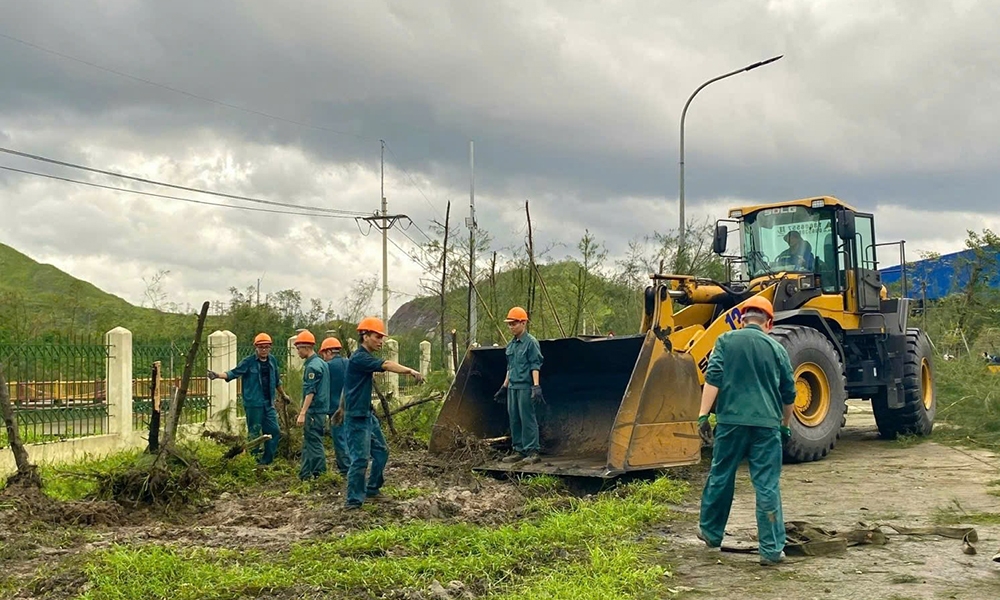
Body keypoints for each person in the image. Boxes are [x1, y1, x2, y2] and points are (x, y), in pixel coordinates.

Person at [696, 296, 796, 566]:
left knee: (721, 475)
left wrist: (704, 415)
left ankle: (710, 532)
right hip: (766, 427)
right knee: (766, 484)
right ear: (769, 323)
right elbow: (789, 394)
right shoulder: (777, 350)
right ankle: (772, 550)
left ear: (741, 319)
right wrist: (784, 426)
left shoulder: (726, 341)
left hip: (730, 423)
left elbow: (712, 379)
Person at [337, 316, 424, 509]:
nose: (380, 341)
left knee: (381, 452)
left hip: (367, 415)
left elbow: (348, 386)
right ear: (365, 336)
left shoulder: (361, 359)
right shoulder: (360, 358)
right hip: (357, 418)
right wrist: (410, 371)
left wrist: (341, 407)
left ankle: (372, 490)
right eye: (377, 336)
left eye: (382, 337)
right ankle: (353, 502)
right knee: (359, 460)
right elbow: (386, 365)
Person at [208, 333, 288, 466]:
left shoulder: (272, 361)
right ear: (255, 347)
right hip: (254, 404)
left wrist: (283, 395)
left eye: (266, 347)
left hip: (269, 404)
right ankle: (253, 460)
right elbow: (234, 373)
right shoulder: (248, 362)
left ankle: (267, 461)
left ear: (270, 348)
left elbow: (277, 381)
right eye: (261, 347)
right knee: (254, 432)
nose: (264, 349)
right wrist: (217, 375)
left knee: (274, 431)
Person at [493, 307, 545, 466]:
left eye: (514, 323)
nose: (511, 327)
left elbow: (535, 365)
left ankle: (532, 451)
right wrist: (504, 387)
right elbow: (510, 367)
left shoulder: (531, 343)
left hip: (525, 386)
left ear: (523, 323)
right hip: (513, 387)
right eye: (509, 324)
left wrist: (536, 386)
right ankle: (519, 449)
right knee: (514, 418)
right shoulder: (511, 345)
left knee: (527, 418)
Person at [293, 330, 330, 481]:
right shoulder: (321, 363)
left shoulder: (312, 367)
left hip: (314, 411)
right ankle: (304, 473)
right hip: (320, 410)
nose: (298, 352)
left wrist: (303, 412)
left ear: (306, 347)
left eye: (299, 348)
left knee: (314, 442)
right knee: (308, 441)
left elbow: (310, 391)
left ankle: (320, 474)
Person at [319, 336, 350, 476]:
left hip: (335, 409)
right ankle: (355, 466)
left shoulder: (327, 367)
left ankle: (345, 469)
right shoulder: (349, 363)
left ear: (328, 352)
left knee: (339, 439)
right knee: (351, 438)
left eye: (323, 354)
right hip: (351, 407)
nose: (323, 357)